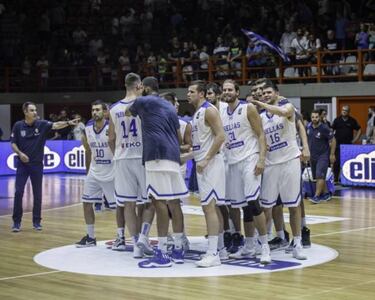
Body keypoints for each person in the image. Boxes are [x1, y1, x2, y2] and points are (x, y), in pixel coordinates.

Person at [130, 77, 188, 268]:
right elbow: (179, 138)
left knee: (158, 202)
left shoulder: (143, 101)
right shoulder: (170, 107)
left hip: (155, 155)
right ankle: (179, 249)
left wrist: (136, 94)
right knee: (174, 203)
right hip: (173, 156)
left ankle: (162, 252)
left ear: (144, 88)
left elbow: (127, 111)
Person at [251, 82, 307, 260]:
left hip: (290, 161)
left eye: (268, 92)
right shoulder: (259, 117)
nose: (265, 95)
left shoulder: (287, 106)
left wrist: (261, 104)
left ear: (277, 93)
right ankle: (265, 246)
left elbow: (283, 113)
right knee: (266, 208)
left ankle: (297, 243)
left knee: (293, 206)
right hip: (270, 164)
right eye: (263, 94)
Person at [221, 79, 271, 264]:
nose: (227, 92)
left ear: (237, 91)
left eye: (230, 89)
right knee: (244, 206)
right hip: (233, 162)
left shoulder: (248, 108)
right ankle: (249, 246)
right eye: (224, 90)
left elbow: (260, 134)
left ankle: (264, 245)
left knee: (254, 202)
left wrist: (261, 158)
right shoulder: (221, 113)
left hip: (250, 158)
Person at [11, 102, 79, 231]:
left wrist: (69, 123)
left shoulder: (41, 124)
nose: (35, 112)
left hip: (37, 165)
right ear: (25, 112)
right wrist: (20, 153)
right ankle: (16, 222)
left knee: (37, 194)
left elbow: (56, 125)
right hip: (22, 165)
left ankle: (36, 222)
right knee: (18, 192)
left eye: (35, 110)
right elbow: (13, 143)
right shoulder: (18, 126)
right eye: (32, 110)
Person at [108, 73, 155, 256]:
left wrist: (118, 154)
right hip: (143, 157)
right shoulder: (145, 104)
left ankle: (136, 245)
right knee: (150, 201)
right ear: (139, 86)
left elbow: (111, 138)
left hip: (122, 158)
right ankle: (144, 237)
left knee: (128, 204)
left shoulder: (113, 108)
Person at [187, 80, 226, 267]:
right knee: (213, 208)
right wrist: (187, 156)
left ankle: (213, 253)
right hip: (203, 163)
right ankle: (221, 249)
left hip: (211, 164)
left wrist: (206, 159)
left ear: (201, 94)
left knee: (209, 207)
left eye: (191, 91)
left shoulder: (209, 110)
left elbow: (221, 136)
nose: (188, 94)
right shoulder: (196, 114)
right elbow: (201, 144)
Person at [75, 100, 116, 247]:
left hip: (111, 172)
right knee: (86, 203)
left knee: (117, 207)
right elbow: (87, 151)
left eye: (98, 110)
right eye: (93, 110)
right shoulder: (87, 129)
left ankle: (121, 236)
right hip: (94, 171)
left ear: (105, 112)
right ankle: (91, 237)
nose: (95, 112)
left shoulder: (112, 128)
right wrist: (87, 172)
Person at [306, 110, 336, 204]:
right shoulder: (308, 127)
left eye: (316, 117)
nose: (314, 119)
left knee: (320, 175)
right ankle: (326, 193)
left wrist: (332, 154)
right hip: (312, 156)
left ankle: (316, 196)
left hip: (323, 156)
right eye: (313, 117)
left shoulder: (324, 128)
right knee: (318, 177)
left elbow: (333, 140)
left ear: (320, 117)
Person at [332, 105, 361, 183]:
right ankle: (335, 179)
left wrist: (355, 140)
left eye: (345, 110)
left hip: (348, 145)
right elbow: (332, 130)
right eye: (343, 110)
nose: (344, 111)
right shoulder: (337, 120)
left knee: (347, 162)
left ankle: (345, 178)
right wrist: (332, 141)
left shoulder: (352, 121)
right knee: (337, 162)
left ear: (348, 112)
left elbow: (359, 130)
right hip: (338, 145)